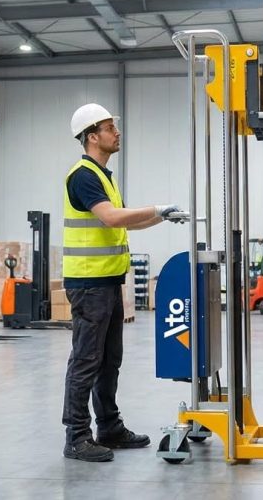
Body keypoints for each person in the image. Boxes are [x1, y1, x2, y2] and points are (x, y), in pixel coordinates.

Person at [62, 102, 185, 463]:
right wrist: (155, 207)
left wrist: (163, 218)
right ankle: (77, 436)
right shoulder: (83, 175)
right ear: (91, 136)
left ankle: (109, 427)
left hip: (107, 282)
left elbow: (123, 223)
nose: (117, 132)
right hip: (89, 284)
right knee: (86, 360)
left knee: (109, 360)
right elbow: (113, 218)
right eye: (109, 127)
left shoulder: (104, 177)